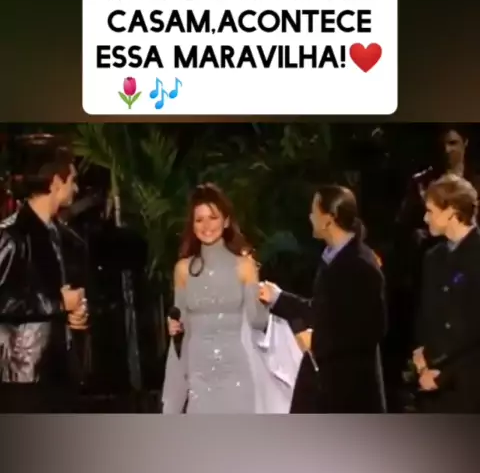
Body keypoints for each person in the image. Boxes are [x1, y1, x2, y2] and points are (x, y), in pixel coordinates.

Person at [161, 183, 302, 414]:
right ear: (192, 226)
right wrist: (174, 325)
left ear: (226, 221)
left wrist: (264, 300)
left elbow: (257, 322)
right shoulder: (183, 269)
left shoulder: (244, 265)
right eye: (199, 220)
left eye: (213, 218)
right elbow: (182, 326)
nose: (206, 226)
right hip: (198, 374)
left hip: (235, 371)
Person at [259, 185, 387, 412]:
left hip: (350, 392)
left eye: (314, 212)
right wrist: (278, 298)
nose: (310, 217)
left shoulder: (362, 265)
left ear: (329, 219)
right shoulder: (332, 258)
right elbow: (322, 309)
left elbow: (371, 329)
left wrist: (317, 341)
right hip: (329, 384)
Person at [0, 144, 89, 399]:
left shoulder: (66, 238)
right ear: (56, 183)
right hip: (23, 374)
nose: (76, 188)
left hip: (61, 371)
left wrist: (78, 314)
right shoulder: (12, 235)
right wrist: (58, 303)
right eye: (72, 180)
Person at [412, 174, 480, 412]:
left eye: (430, 211)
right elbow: (426, 315)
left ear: (451, 211)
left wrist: (445, 375)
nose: (425, 218)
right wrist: (421, 361)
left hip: (468, 390)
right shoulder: (433, 257)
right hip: (429, 386)